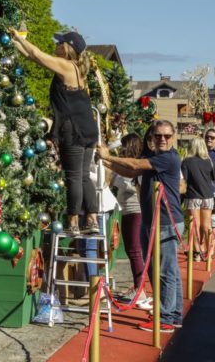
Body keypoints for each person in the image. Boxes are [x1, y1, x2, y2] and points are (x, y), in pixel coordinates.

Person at [9, 29, 100, 236]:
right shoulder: (76, 68)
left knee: (73, 176)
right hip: (87, 127)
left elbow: (37, 53)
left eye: (60, 43)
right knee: (84, 175)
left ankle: (73, 222)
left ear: (67, 48)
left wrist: (19, 37)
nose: (56, 45)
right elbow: (32, 57)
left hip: (73, 128)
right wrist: (15, 42)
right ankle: (92, 219)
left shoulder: (65, 65)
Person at [97, 120, 184, 333]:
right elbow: (131, 172)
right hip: (151, 220)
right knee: (165, 270)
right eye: (158, 135)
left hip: (165, 221)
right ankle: (173, 314)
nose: (162, 139)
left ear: (173, 137)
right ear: (152, 137)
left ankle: (165, 317)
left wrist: (109, 156)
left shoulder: (168, 158)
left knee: (164, 271)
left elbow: (135, 165)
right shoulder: (154, 157)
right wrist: (106, 162)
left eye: (166, 136)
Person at [103, 133, 151, 310]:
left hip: (135, 210)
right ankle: (138, 287)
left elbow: (129, 184)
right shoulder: (125, 165)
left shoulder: (135, 166)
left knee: (135, 250)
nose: (121, 149)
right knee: (133, 251)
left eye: (123, 145)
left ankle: (140, 290)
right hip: (128, 210)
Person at [181, 138, 215, 261]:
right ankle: (209, 251)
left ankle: (196, 253)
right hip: (207, 196)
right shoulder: (208, 161)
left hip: (192, 196)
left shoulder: (186, 162)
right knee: (206, 225)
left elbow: (184, 180)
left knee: (194, 225)